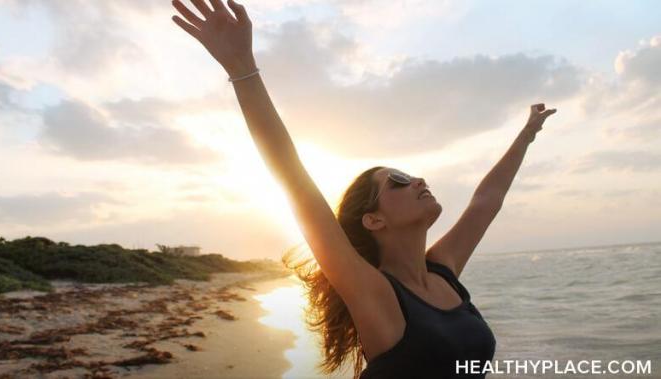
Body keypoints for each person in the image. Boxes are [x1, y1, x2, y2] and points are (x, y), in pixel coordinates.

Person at [171, 1, 557, 378]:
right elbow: (294, 179)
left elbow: (485, 204)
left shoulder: (442, 272)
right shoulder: (375, 292)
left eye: (411, 175)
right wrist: (242, 68)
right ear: (373, 219)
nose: (418, 180)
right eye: (398, 182)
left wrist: (526, 135)